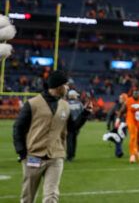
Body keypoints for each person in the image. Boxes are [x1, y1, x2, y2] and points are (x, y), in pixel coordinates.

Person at [13, 70, 91, 203]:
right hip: (33, 156)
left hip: (56, 156)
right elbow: (18, 127)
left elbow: (71, 128)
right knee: (28, 197)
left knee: (51, 196)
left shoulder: (65, 105)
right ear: (57, 86)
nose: (68, 88)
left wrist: (85, 114)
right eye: (65, 85)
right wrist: (21, 151)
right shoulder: (32, 104)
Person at [119, 87, 139, 163]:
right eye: (134, 93)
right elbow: (122, 111)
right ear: (132, 93)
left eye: (137, 92)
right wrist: (117, 120)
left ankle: (137, 150)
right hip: (131, 121)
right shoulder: (128, 101)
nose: (135, 94)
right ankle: (132, 155)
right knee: (133, 137)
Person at [65, 90, 87, 161]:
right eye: (76, 95)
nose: (77, 96)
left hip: (68, 125)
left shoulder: (66, 103)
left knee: (69, 141)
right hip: (77, 125)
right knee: (74, 140)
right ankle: (73, 155)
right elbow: (83, 113)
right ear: (73, 96)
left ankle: (69, 156)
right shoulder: (80, 104)